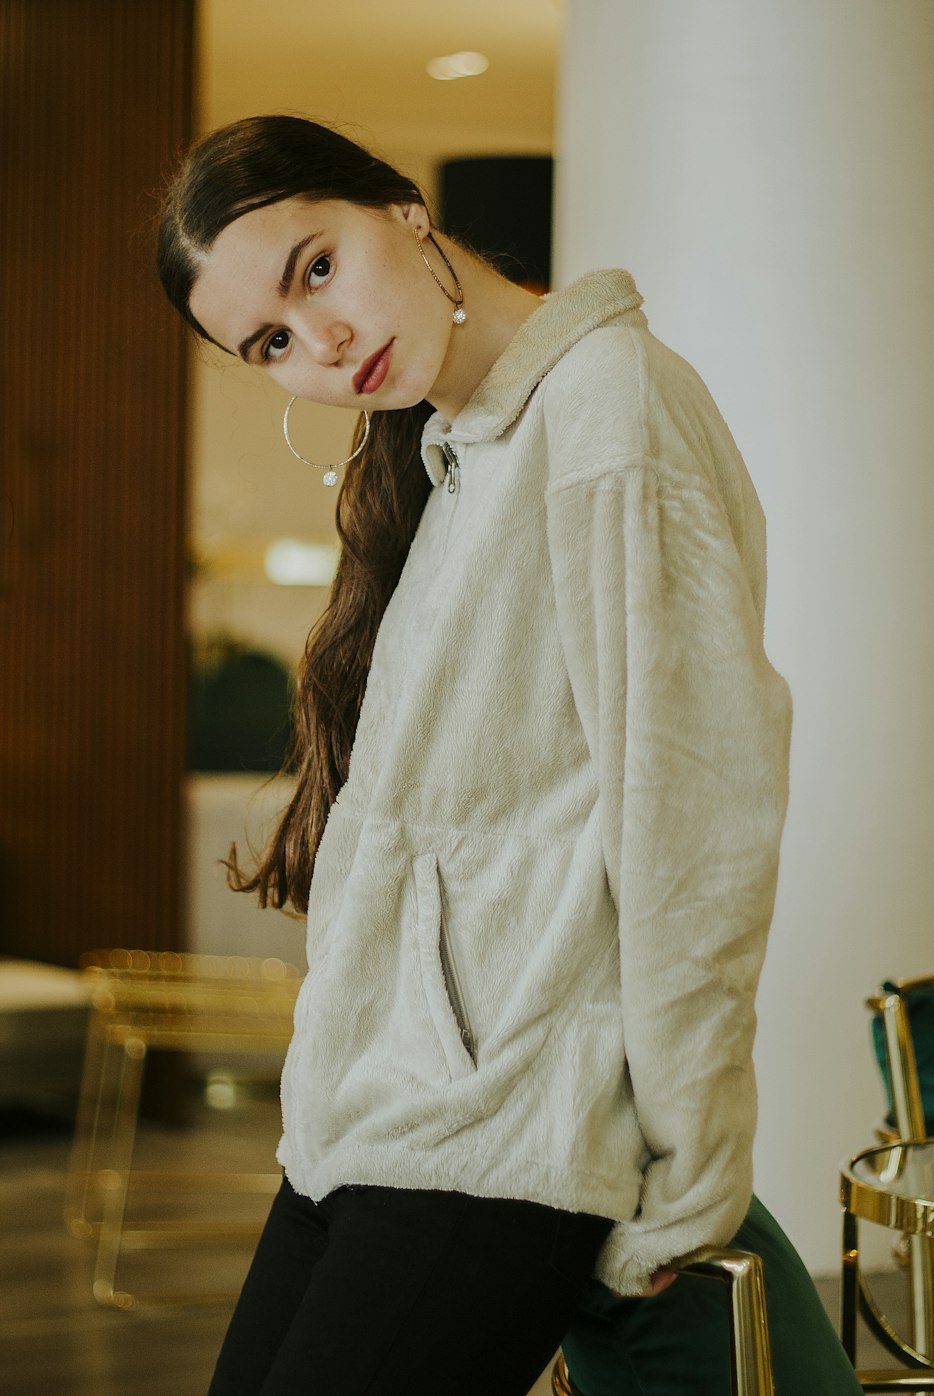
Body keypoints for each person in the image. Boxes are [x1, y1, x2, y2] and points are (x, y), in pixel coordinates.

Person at [157, 114, 793, 1396]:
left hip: (505, 1128)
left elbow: (691, 810)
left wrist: (691, 1158)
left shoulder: (608, 407)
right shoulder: (452, 453)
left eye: (314, 268)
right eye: (270, 341)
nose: (321, 344)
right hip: (363, 1115)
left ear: (397, 205)